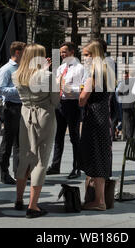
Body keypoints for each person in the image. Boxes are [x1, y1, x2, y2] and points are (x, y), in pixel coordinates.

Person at [13, 44, 60, 218]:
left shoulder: (16, 75)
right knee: (41, 159)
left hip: (25, 116)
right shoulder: (48, 76)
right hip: (44, 116)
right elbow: (55, 100)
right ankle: (33, 206)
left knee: (25, 156)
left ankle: (19, 199)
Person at [78, 40, 116, 211]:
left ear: (93, 55)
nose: (84, 58)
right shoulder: (107, 70)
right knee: (100, 157)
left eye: (86, 54)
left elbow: (82, 99)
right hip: (103, 119)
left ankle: (99, 201)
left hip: (94, 119)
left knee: (95, 158)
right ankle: (99, 200)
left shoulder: (94, 73)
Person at [47, 42, 84, 179]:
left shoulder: (80, 68)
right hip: (60, 104)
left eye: (65, 52)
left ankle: (77, 167)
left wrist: (67, 88)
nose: (62, 54)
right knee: (58, 136)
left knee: (74, 137)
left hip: (73, 104)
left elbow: (81, 87)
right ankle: (55, 166)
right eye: (61, 52)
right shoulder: (61, 67)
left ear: (72, 52)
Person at [0, 41, 26, 185]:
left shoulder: (22, 68)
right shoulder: (6, 69)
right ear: (18, 52)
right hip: (11, 108)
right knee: (8, 142)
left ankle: (19, 172)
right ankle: (4, 173)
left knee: (20, 142)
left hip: (22, 107)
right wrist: (19, 88)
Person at [116, 71, 135, 140]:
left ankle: (129, 137)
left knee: (127, 122)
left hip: (125, 105)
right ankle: (134, 136)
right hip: (134, 104)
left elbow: (119, 93)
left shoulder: (124, 82)